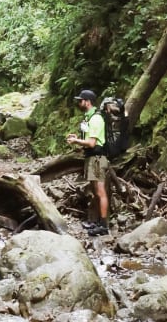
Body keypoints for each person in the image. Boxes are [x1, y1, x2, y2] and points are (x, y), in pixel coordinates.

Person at [65, 88, 111, 236]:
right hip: (91, 158)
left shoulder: (96, 118)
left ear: (88, 102)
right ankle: (97, 222)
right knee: (96, 192)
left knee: (100, 191)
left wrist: (75, 141)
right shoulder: (89, 117)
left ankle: (103, 225)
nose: (79, 103)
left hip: (97, 158)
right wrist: (77, 137)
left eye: (81, 101)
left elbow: (91, 143)